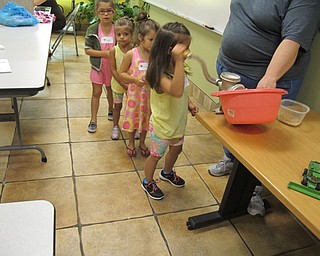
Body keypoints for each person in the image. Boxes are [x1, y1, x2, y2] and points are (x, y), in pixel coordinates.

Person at [208, 0, 320, 215]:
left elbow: (293, 40)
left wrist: (269, 80)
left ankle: (253, 189)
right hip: (231, 68)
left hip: (266, 80)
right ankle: (230, 161)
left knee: (260, 141)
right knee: (233, 127)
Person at [141, 22, 199, 200]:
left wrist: (188, 103)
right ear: (169, 50)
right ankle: (148, 181)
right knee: (156, 155)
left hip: (178, 122)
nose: (187, 52)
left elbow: (183, 89)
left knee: (177, 150)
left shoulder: (179, 68)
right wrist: (180, 61)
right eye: (184, 48)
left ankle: (167, 173)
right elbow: (175, 90)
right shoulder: (159, 74)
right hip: (163, 126)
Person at [118, 12, 159, 157]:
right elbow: (121, 72)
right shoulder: (131, 54)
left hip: (149, 95)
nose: (154, 43)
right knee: (132, 118)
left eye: (156, 40)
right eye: (151, 39)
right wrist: (134, 80)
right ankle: (130, 142)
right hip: (134, 94)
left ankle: (142, 142)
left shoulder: (155, 56)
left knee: (146, 119)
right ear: (141, 38)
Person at [85, 0, 116, 133]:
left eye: (109, 10)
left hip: (113, 68)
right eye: (102, 11)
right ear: (97, 13)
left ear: (114, 12)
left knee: (110, 91)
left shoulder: (118, 29)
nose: (105, 14)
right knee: (96, 93)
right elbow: (88, 50)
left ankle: (111, 109)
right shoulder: (92, 29)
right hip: (98, 67)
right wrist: (104, 53)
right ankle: (93, 119)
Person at [109, 17, 134, 140]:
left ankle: (134, 127)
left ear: (131, 35)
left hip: (132, 86)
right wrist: (123, 84)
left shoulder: (135, 50)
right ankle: (115, 126)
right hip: (118, 85)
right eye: (119, 34)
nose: (122, 37)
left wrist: (130, 83)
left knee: (132, 107)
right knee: (117, 106)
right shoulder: (113, 50)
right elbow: (113, 70)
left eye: (125, 34)